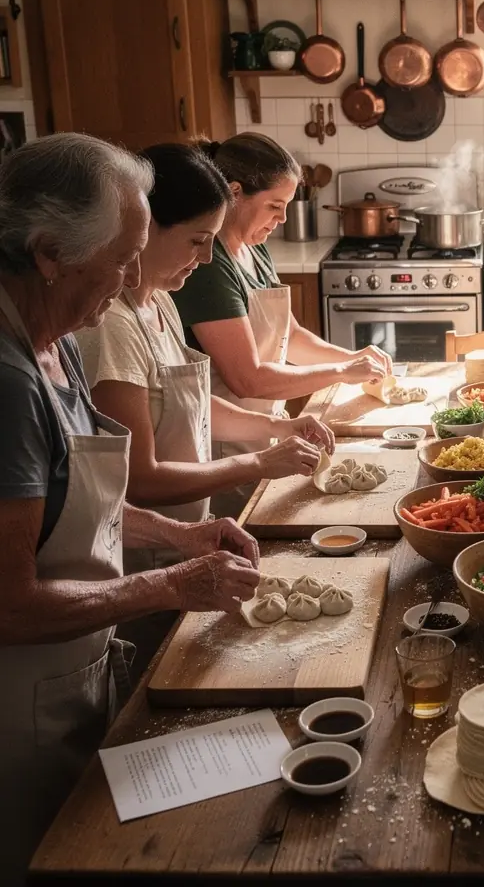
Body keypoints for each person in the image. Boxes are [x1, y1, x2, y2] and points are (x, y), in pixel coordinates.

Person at [0, 134, 260, 883]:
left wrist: (181, 535)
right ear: (49, 252)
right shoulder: (8, 384)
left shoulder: (59, 344)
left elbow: (82, 502)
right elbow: (8, 603)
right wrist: (168, 585)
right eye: (118, 260)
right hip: (19, 718)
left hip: (76, 675)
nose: (125, 285)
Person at [75, 144, 335, 669]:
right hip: (143, 564)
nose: (207, 258)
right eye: (197, 241)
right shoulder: (113, 329)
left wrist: (274, 428)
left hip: (186, 542)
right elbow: (142, 478)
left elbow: (196, 407)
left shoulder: (161, 303)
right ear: (145, 230)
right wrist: (260, 461)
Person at [170, 134, 390, 516]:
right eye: (275, 205)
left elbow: (295, 338)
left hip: (269, 431)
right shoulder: (209, 266)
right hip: (227, 445)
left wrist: (356, 360)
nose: (283, 219)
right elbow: (247, 379)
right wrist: (341, 371)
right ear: (235, 193)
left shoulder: (253, 249)